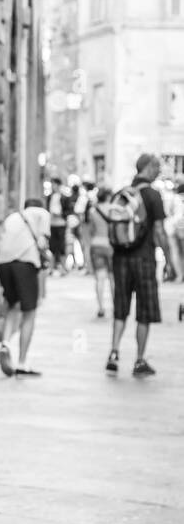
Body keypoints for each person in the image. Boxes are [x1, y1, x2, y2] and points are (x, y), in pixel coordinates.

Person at [105, 154, 173, 377]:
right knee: (144, 310)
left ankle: (114, 353)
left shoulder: (122, 192)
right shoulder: (153, 195)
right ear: (147, 168)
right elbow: (160, 231)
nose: (158, 171)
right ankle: (139, 360)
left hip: (121, 257)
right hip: (144, 259)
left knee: (120, 306)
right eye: (156, 167)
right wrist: (170, 261)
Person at [0, 197, 51, 377]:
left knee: (13, 305)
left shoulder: (12, 217)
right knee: (29, 312)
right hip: (24, 263)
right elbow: (42, 243)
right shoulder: (42, 214)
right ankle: (22, 362)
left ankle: (5, 343)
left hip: (3, 264)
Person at [89, 187, 113, 318]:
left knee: (100, 278)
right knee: (113, 278)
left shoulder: (93, 211)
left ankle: (101, 307)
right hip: (110, 245)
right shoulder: (112, 209)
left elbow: (92, 230)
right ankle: (116, 306)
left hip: (96, 244)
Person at [46, 176, 72, 273]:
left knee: (61, 246)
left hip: (61, 223)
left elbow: (68, 210)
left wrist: (61, 214)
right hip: (52, 224)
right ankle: (51, 267)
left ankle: (63, 267)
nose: (53, 186)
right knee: (52, 246)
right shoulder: (49, 197)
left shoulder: (64, 197)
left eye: (54, 184)